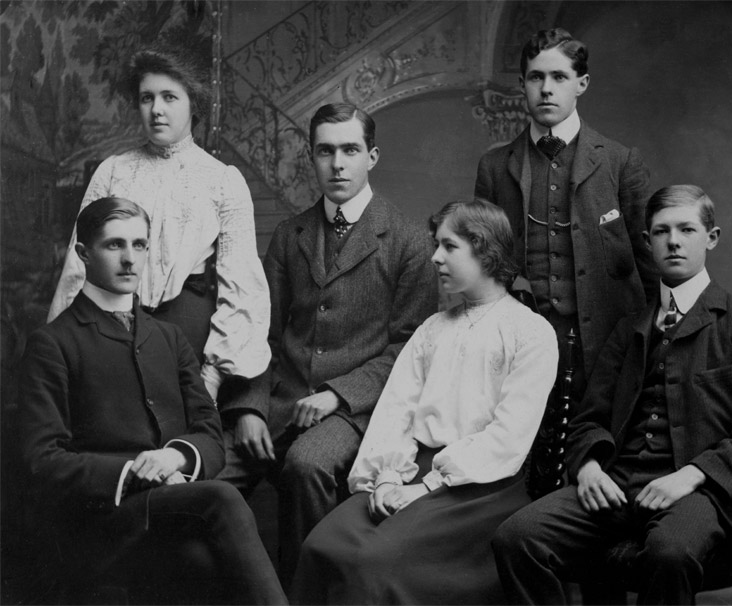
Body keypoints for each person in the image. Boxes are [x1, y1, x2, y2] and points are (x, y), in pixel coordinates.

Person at [492, 185, 732, 605]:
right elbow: (588, 420)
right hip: (618, 487)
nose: (675, 241)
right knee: (516, 537)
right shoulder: (630, 329)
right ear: (647, 243)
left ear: (711, 238)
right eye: (662, 232)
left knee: (670, 553)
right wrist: (590, 467)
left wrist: (691, 476)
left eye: (687, 229)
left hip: (704, 494)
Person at [18, 197, 286, 605]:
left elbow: (209, 435)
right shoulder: (53, 344)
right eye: (115, 245)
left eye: (139, 245)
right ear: (83, 254)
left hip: (172, 511)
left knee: (206, 562)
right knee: (221, 497)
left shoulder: (167, 338)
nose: (130, 259)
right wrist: (138, 471)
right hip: (104, 521)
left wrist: (175, 458)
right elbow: (42, 460)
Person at [291, 200, 558, 605]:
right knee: (321, 546)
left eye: (449, 247)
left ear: (484, 249)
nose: (435, 257)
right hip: (409, 470)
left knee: (373, 564)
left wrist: (427, 486)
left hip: (480, 488)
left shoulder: (531, 332)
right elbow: (396, 410)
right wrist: (385, 476)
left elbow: (509, 436)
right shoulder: (433, 329)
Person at [216, 102, 439, 585]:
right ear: (311, 158)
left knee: (306, 464)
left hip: (354, 410)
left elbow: (408, 348)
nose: (337, 164)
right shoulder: (289, 233)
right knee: (210, 481)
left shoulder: (407, 240)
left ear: (372, 157)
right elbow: (262, 333)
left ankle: (313, 592)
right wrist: (250, 407)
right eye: (325, 151)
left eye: (350, 150)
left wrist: (338, 393)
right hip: (279, 401)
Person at [48, 41, 269, 405]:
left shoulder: (222, 180)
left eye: (169, 97)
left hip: (185, 328)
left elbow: (242, 283)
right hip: (111, 321)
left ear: (193, 104)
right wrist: (63, 350)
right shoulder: (113, 171)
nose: (156, 110)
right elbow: (78, 267)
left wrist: (211, 376)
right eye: (146, 98)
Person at [474, 28, 659, 399]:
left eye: (559, 77)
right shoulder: (495, 167)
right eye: (536, 77)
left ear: (581, 83)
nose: (546, 88)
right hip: (520, 351)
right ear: (522, 83)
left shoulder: (619, 162)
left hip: (608, 347)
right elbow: (482, 270)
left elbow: (649, 266)